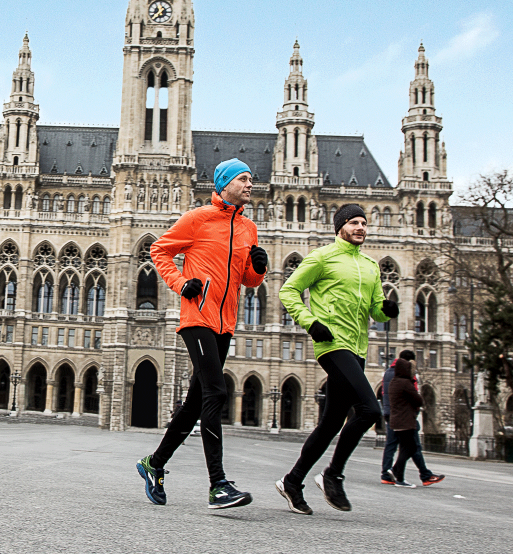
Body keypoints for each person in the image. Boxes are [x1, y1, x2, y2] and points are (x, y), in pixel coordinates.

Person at [136, 158, 268, 509]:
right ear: (224, 184)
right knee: (216, 393)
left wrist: (259, 267)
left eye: (251, 179)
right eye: (243, 178)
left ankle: (155, 463)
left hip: (225, 322)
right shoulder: (198, 218)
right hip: (197, 317)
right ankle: (218, 484)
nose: (249, 184)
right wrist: (181, 284)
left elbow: (249, 280)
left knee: (196, 402)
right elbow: (159, 250)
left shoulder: (248, 229)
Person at [274, 204, 398, 515]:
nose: (360, 228)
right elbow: (289, 291)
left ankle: (292, 481)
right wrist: (310, 322)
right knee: (370, 410)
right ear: (340, 226)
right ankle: (333, 474)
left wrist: (387, 312)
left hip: (358, 350)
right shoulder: (322, 256)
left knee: (330, 424)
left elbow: (375, 308)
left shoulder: (371, 266)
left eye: (364, 223)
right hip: (331, 344)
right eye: (354, 222)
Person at [379, 350, 445, 487]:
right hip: (404, 416)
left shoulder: (389, 374)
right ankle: (417, 474)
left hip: (391, 414)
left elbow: (385, 394)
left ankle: (388, 474)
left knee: (394, 445)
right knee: (412, 446)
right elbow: (416, 399)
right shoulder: (405, 379)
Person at [388, 359, 424, 487]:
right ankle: (397, 474)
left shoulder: (393, 382)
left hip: (396, 420)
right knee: (410, 448)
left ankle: (398, 475)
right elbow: (418, 400)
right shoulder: (405, 383)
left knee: (405, 448)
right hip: (406, 420)